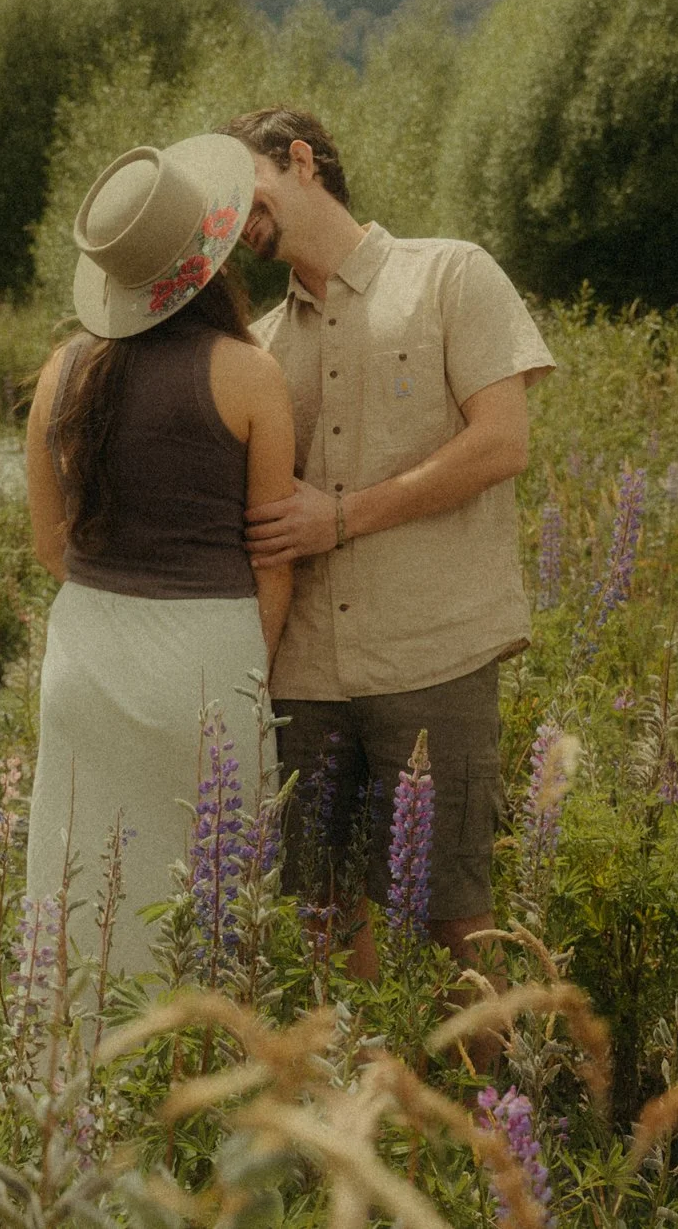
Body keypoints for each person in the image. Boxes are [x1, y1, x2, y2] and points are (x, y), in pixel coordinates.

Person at [222, 106, 553, 981]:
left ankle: (487, 1116)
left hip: (432, 653)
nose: (235, 216)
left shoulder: (451, 275)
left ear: (301, 160)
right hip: (305, 672)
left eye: (244, 187)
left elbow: (502, 442)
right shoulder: (256, 346)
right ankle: (372, 1110)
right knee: (325, 922)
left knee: (458, 919)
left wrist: (341, 515)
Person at [21, 134, 297, 978]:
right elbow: (274, 561)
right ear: (208, 256)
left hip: (86, 659)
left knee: (79, 905)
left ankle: (70, 1093)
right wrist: (244, 668)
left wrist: (119, 602)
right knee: (211, 909)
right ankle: (208, 1085)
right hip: (209, 664)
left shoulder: (60, 372)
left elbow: (48, 544)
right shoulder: (251, 374)